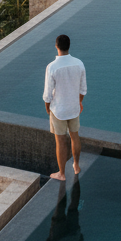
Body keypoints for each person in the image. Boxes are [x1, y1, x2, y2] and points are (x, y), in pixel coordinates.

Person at [43, 34, 87, 182]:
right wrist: (79, 102)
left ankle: (61, 173)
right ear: (69, 46)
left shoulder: (52, 67)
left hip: (58, 110)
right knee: (75, 136)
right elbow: (83, 90)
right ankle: (76, 165)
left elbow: (47, 95)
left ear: (56, 46)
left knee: (60, 141)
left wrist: (48, 108)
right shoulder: (79, 64)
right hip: (74, 108)